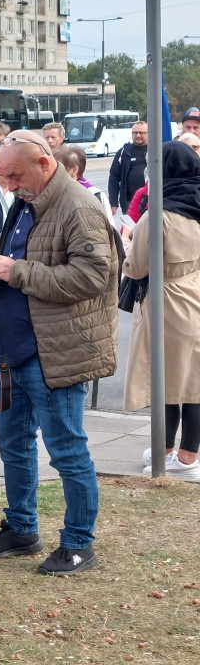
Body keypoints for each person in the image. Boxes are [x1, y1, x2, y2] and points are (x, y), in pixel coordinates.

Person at [0, 129, 117, 577]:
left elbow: (93, 277)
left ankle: (78, 543)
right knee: (13, 445)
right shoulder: (28, 199)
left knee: (67, 451)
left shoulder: (77, 206)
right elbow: (24, 251)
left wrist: (17, 270)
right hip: (16, 349)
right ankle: (21, 529)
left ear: (44, 162)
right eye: (3, 176)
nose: (9, 185)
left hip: (55, 353)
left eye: (15, 175)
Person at [123, 141, 200, 482]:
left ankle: (167, 451)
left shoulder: (159, 214)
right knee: (194, 381)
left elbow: (136, 266)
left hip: (166, 299)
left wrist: (127, 242)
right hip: (195, 291)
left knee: (164, 379)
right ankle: (188, 455)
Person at [54, 145, 116, 227]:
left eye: (58, 169)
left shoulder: (96, 196)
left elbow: (111, 230)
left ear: (74, 170)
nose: (54, 174)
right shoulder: (51, 195)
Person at [107, 121, 148, 216]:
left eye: (141, 133)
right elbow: (114, 177)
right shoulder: (124, 152)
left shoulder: (156, 150)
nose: (138, 135)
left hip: (151, 202)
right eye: (135, 133)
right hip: (130, 203)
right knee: (129, 226)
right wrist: (113, 203)